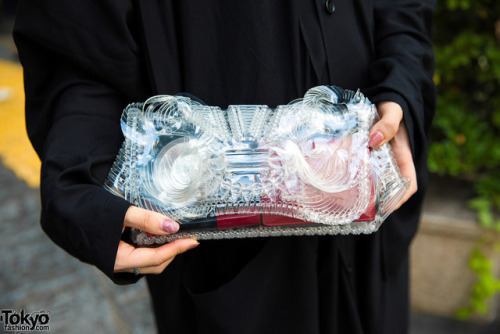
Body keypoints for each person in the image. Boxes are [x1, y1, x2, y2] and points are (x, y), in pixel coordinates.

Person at [14, 1, 436, 333]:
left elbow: (402, 8)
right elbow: (79, 47)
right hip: (217, 244)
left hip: (365, 214)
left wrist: (400, 88)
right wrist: (87, 179)